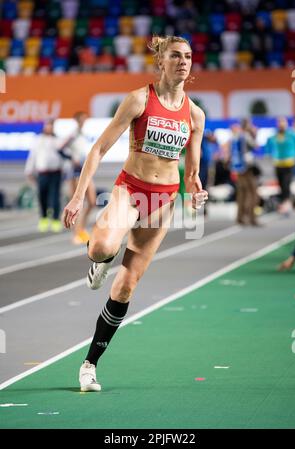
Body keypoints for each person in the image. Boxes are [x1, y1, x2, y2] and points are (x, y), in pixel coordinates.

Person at [62, 35, 208, 392]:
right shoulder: (139, 99)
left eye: (188, 56)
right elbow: (98, 149)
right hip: (130, 192)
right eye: (176, 55)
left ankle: (89, 364)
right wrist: (79, 197)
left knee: (126, 287)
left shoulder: (195, 114)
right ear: (161, 61)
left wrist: (197, 190)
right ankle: (99, 261)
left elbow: (191, 171)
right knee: (99, 249)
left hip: (163, 201)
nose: (183, 61)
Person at [59, 112, 97, 244]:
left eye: (85, 119)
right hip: (74, 171)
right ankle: (75, 233)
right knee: (76, 203)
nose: (83, 122)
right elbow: (60, 148)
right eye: (81, 120)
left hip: (84, 170)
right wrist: (72, 159)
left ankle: (81, 229)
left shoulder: (83, 134)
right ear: (76, 120)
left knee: (92, 202)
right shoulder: (73, 134)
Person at [25, 119, 63, 233]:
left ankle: (56, 220)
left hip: (56, 172)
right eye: (47, 126)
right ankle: (44, 218)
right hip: (42, 173)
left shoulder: (58, 140)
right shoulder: (38, 140)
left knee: (55, 197)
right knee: (42, 196)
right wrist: (29, 171)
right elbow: (33, 156)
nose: (49, 128)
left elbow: (64, 156)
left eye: (51, 126)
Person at [266, 117, 295, 215]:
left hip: (289, 164)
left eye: (283, 122)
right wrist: (269, 154)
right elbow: (267, 146)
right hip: (278, 164)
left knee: (286, 184)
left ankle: (287, 204)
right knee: (281, 185)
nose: (281, 124)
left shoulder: (292, 135)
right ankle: (284, 203)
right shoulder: (275, 135)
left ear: (286, 124)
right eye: (279, 122)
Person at [228, 120, 259, 225]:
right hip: (247, 168)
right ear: (247, 126)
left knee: (242, 193)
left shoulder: (236, 137)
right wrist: (254, 134)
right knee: (253, 193)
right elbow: (255, 146)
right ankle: (251, 217)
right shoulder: (246, 136)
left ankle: (240, 217)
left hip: (238, 168)